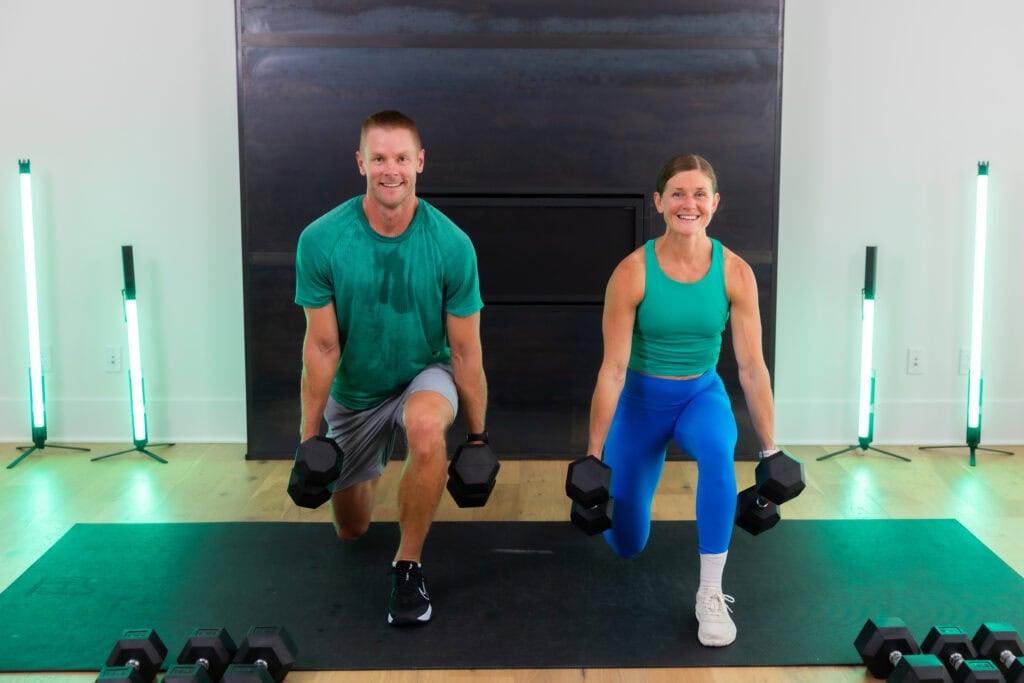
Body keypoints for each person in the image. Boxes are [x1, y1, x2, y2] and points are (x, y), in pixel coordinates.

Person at [294, 110, 488, 627]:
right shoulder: (321, 239)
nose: (390, 169)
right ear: (361, 162)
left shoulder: (451, 245)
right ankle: (373, 468)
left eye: (401, 158)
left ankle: (408, 563)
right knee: (352, 529)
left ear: (419, 162)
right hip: (355, 390)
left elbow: (466, 351)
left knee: (425, 429)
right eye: (379, 158)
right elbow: (321, 346)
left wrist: (477, 438)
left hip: (425, 373)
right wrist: (309, 437)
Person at [586, 153, 777, 647]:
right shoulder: (632, 272)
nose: (687, 203)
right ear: (658, 202)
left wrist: (772, 450)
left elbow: (752, 367)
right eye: (677, 193)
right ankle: (622, 516)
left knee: (719, 453)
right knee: (628, 542)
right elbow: (612, 369)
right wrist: (592, 457)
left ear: (714, 203)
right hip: (640, 403)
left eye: (698, 194)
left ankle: (710, 593)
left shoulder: (735, 272)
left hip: (700, 395)